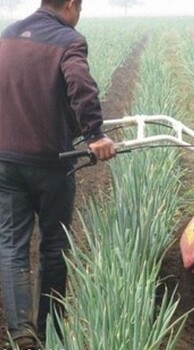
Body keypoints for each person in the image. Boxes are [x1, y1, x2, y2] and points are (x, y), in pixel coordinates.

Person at [0, 0, 116, 349]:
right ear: (70, 5)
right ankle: (49, 329)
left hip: (6, 160)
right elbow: (80, 85)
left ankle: (21, 332)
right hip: (51, 161)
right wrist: (95, 135)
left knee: (11, 244)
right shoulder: (69, 41)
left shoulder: (8, 35)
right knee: (54, 245)